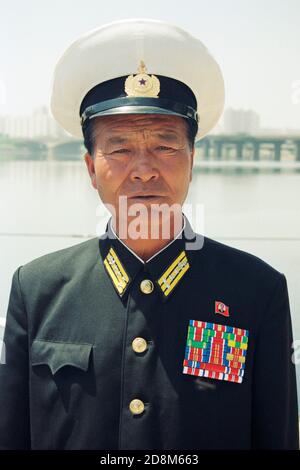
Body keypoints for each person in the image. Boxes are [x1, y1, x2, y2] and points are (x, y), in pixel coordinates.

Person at [0, 18, 298, 450]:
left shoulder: (256, 291)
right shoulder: (38, 288)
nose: (143, 168)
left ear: (192, 160)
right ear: (90, 169)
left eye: (165, 145)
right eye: (119, 148)